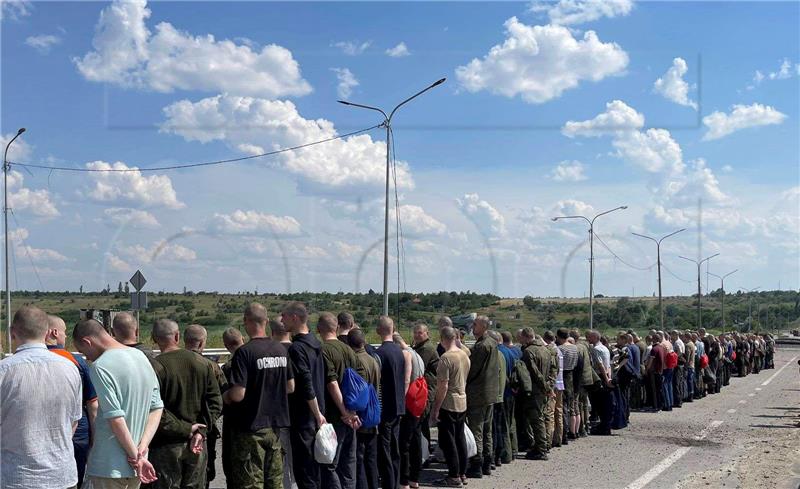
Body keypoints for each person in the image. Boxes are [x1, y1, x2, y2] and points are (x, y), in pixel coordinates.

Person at [73, 318, 163, 488]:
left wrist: (134, 455)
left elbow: (115, 417)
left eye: (83, 351)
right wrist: (142, 449)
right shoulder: (140, 356)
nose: (87, 357)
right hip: (140, 461)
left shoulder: (100, 366)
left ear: (87, 341)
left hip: (109, 464)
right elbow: (157, 406)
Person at [1, 306, 83, 489]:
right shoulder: (70, 368)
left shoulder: (4, 370)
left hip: (16, 476)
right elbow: (74, 420)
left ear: (12, 332)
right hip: (62, 475)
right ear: (47, 333)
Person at [224, 303, 295, 489]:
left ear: (246, 321)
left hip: (251, 429)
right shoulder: (281, 350)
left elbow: (238, 395)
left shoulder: (244, 353)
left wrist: (226, 396)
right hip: (276, 428)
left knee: (251, 483)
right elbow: (290, 386)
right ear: (266, 321)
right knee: (275, 482)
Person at [148, 319, 222, 489]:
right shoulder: (202, 363)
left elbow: (155, 409)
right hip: (197, 443)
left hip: (165, 446)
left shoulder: (155, 367)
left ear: (153, 338)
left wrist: (185, 429)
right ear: (177, 336)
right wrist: (200, 430)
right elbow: (215, 402)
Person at [46, 314, 99, 488]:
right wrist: (94, 436)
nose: (66, 336)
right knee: (74, 477)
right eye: (64, 332)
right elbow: (92, 404)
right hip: (76, 432)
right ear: (54, 332)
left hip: (41, 431)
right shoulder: (76, 362)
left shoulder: (23, 360)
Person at [283, 302, 327, 489]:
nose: (282, 319)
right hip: (316, 413)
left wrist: (316, 414)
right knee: (314, 469)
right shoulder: (315, 343)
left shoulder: (296, 349)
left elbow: (306, 383)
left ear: (294, 317)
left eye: (284, 316)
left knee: (304, 471)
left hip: (304, 416)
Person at [317, 312, 362, 489]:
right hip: (351, 414)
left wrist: (344, 412)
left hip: (336, 414)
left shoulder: (323, 350)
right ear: (336, 327)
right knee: (349, 463)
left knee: (329, 462)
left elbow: (331, 383)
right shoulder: (350, 350)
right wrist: (352, 412)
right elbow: (358, 383)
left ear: (319, 329)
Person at [184, 324, 228, 489]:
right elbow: (222, 397)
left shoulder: (170, 362)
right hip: (204, 429)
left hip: (176, 430)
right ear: (202, 342)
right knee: (203, 475)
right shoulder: (211, 366)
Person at [430, 326, 470, 488]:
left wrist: (436, 408)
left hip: (449, 402)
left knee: (449, 441)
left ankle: (453, 475)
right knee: (460, 438)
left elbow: (443, 386)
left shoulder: (446, 358)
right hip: (462, 399)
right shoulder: (464, 355)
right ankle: (462, 472)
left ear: (442, 338)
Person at [463, 316, 499, 478]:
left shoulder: (482, 346)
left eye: (475, 324)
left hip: (478, 393)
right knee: (487, 430)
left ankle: (477, 463)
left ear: (483, 327)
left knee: (477, 429)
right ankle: (487, 462)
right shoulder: (492, 343)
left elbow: (472, 369)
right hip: (490, 392)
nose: (473, 326)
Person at [375, 316, 407, 489]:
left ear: (379, 330)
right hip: (398, 406)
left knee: (385, 451)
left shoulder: (379, 354)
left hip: (385, 408)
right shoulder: (400, 352)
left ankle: (389, 484)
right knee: (395, 450)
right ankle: (395, 482)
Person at [348, 328, 381, 489]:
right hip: (373, 414)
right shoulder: (372, 359)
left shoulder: (357, 361)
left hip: (363, 417)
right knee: (371, 459)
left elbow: (359, 394)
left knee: (360, 460)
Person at [268, 319, 298, 489]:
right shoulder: (299, 350)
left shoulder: (272, 353)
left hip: (279, 417)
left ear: (272, 332)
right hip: (301, 415)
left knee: (281, 462)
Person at [394, 332, 425, 489]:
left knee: (404, 443)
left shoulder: (405, 355)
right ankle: (415, 478)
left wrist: (400, 402)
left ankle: (404, 480)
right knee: (416, 441)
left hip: (409, 402)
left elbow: (406, 380)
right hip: (419, 401)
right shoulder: (417, 354)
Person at [519, 327, 554, 461]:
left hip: (535, 390)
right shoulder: (546, 350)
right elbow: (552, 369)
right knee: (542, 417)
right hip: (544, 389)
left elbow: (534, 372)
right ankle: (542, 445)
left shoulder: (529, 351)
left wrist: (545, 387)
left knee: (536, 419)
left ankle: (541, 448)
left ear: (526, 337)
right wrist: (549, 386)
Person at [411, 323, 439, 461]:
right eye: (415, 332)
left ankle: (424, 454)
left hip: (426, 391)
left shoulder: (426, 349)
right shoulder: (420, 347)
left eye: (420, 333)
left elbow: (416, 364)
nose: (416, 335)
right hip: (423, 389)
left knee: (422, 424)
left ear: (426, 333)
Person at [220, 327, 245, 484]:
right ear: (242, 338)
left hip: (235, 423)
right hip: (262, 422)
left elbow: (226, 399)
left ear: (226, 344)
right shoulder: (255, 359)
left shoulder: (229, 368)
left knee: (233, 470)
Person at [498, 331, 521, 459]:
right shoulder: (513, 352)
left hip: (504, 392)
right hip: (513, 391)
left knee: (504, 423)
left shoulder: (500, 353)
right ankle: (514, 448)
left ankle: (506, 453)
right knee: (511, 421)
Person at [486, 330, 507, 468]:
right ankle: (498, 456)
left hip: (494, 397)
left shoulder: (494, 355)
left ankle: (493, 456)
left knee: (493, 430)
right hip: (500, 395)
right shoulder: (501, 355)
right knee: (498, 428)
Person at [555, 329, 578, 441]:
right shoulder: (575, 348)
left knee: (562, 407)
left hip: (562, 376)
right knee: (570, 406)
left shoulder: (560, 349)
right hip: (571, 376)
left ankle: (563, 433)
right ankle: (571, 430)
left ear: (559, 337)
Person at [542, 331, 564, 448]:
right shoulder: (559, 350)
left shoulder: (550, 351)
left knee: (550, 413)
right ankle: (559, 438)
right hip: (561, 384)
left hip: (553, 385)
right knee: (559, 412)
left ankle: (549, 440)